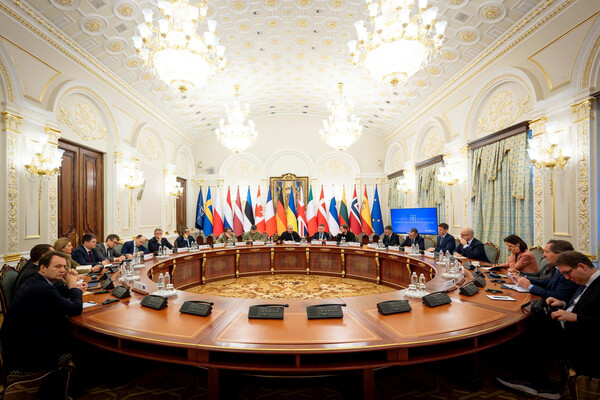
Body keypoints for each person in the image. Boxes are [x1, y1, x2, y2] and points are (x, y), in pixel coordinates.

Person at [496, 251, 600, 398]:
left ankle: (539, 384)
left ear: (581, 266)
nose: (566, 278)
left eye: (567, 273)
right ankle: (533, 379)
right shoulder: (586, 281)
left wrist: (576, 317)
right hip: (570, 326)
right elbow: (582, 306)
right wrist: (563, 304)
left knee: (528, 333)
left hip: (583, 339)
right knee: (530, 319)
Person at [1, 251, 85, 372]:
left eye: (64, 267)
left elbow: (55, 293)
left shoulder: (37, 280)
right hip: (28, 352)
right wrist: (72, 287)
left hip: (24, 340)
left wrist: (71, 288)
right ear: (43, 268)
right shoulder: (42, 288)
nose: (62, 270)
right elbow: (75, 309)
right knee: (85, 340)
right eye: (58, 266)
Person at [514, 240, 580, 301]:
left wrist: (530, 286)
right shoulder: (556, 268)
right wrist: (522, 279)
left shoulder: (567, 273)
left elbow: (556, 297)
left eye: (547, 252)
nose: (544, 255)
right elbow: (546, 283)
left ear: (560, 255)